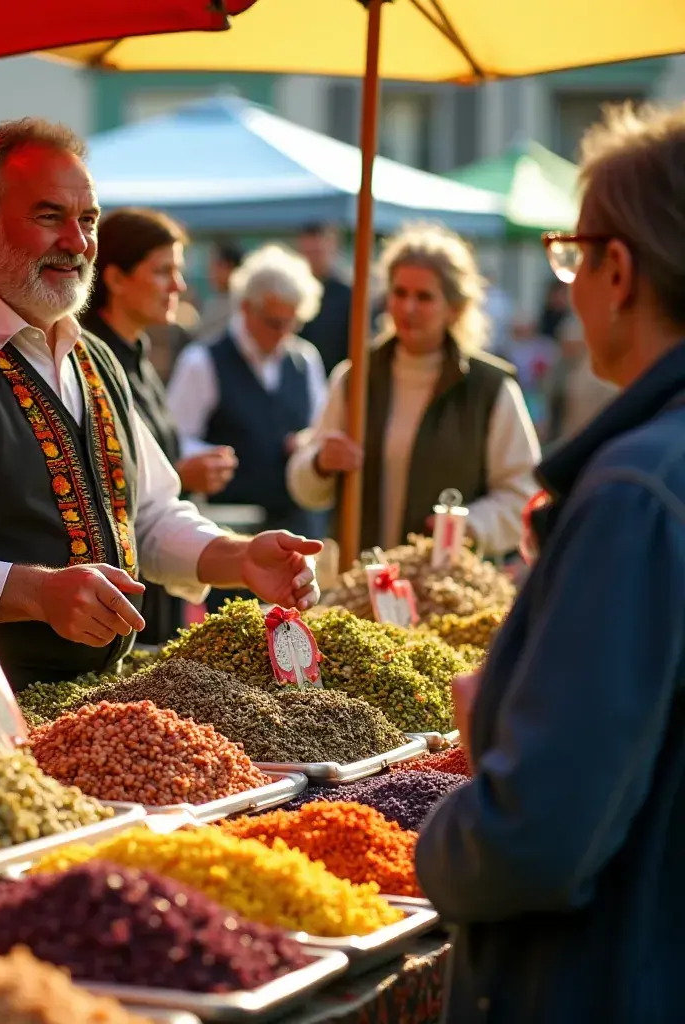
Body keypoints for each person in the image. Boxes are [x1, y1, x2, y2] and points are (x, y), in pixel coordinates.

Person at [0, 118, 322, 691]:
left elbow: (147, 515)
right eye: (49, 216)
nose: (77, 244)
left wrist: (237, 557)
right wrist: (37, 592)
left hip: (72, 709)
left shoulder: (93, 357)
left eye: (87, 220)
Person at [416, 101, 685, 1024]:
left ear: (618, 268)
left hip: (606, 977)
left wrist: (435, 831)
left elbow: (536, 838)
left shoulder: (634, 492)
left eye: (571, 257)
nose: (567, 285)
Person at [288, 222, 540, 557]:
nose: (408, 308)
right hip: (360, 582)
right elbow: (304, 486)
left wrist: (468, 527)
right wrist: (321, 462)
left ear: (454, 307)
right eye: (400, 293)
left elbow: (523, 493)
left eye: (424, 297)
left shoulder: (490, 388)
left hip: (448, 591)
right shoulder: (355, 378)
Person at [80, 208, 239, 644]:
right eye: (163, 271)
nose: (179, 286)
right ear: (114, 278)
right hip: (112, 603)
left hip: (157, 584)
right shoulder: (83, 364)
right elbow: (90, 479)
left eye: (179, 270)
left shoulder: (137, 357)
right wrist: (183, 474)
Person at [167, 245, 328, 609]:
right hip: (231, 533)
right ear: (245, 307)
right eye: (274, 322)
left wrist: (305, 443)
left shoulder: (305, 360)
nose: (283, 332)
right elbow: (175, 440)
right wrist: (211, 457)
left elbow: (317, 427)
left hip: (294, 524)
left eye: (293, 322)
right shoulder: (202, 361)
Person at [542, 312, 619, 444]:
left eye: (572, 345)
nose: (568, 349)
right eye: (565, 344)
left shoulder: (597, 376)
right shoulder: (558, 367)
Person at [296, 221, 353, 371]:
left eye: (318, 252)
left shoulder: (346, 295)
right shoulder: (293, 293)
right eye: (309, 252)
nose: (313, 258)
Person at [195, 239, 243, 340]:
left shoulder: (240, 305)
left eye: (215, 265)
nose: (210, 272)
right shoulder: (214, 302)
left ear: (230, 267)